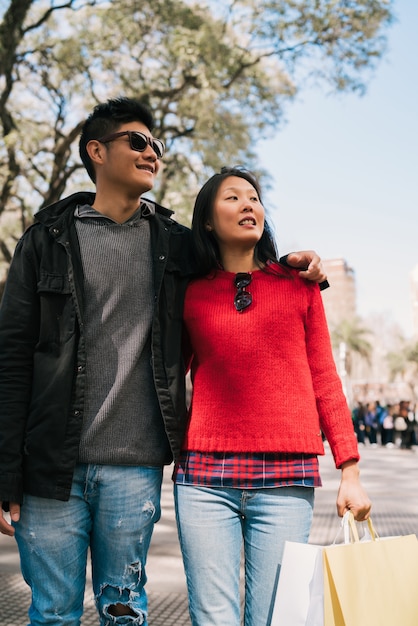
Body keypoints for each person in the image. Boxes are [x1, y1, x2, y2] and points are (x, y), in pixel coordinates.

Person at [0, 98, 326, 625]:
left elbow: (239, 268)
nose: (152, 151)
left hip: (135, 466)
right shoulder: (45, 241)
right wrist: (5, 470)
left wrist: (293, 263)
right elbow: (12, 358)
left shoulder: (175, 246)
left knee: (125, 614)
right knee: (53, 615)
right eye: (138, 141)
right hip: (48, 468)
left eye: (157, 144)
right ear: (97, 151)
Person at [173, 167, 371, 626]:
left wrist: (350, 470)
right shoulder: (188, 292)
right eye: (233, 197)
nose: (249, 204)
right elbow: (165, 377)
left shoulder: (299, 284)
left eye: (255, 197)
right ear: (206, 220)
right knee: (213, 618)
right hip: (204, 478)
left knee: (272, 619)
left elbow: (325, 377)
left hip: (286, 479)